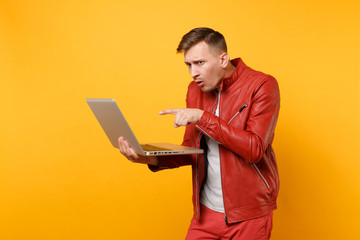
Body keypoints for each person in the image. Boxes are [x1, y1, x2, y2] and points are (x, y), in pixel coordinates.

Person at [118, 27, 280, 240]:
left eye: (200, 63)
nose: (193, 73)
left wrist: (202, 117)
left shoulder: (262, 85)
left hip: (248, 215)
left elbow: (254, 149)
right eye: (188, 65)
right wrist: (147, 158)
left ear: (223, 59)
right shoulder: (195, 90)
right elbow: (192, 150)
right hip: (205, 214)